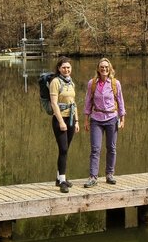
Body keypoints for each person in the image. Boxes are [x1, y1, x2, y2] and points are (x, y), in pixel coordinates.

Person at [83, 58, 126, 188]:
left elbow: (120, 100)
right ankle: (93, 177)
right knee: (95, 148)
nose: (104, 69)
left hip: (112, 118)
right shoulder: (92, 83)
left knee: (111, 148)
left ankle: (109, 174)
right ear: (98, 68)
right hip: (96, 118)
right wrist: (86, 119)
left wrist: (122, 118)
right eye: (102, 67)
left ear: (110, 68)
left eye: (106, 67)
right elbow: (88, 101)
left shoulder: (115, 83)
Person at [51, 56, 80, 193]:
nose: (66, 69)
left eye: (68, 67)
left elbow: (73, 103)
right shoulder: (55, 82)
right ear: (59, 68)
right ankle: (62, 180)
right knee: (63, 149)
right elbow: (54, 103)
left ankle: (59, 178)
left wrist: (77, 121)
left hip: (71, 119)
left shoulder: (71, 82)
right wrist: (61, 121)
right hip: (60, 120)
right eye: (64, 67)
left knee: (65, 149)